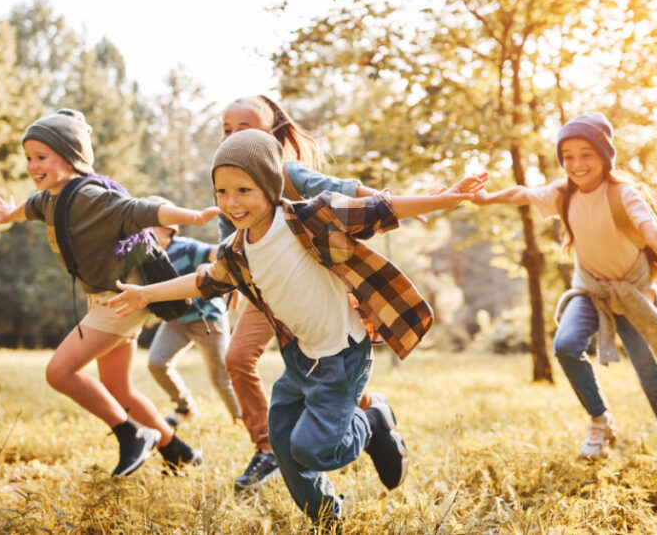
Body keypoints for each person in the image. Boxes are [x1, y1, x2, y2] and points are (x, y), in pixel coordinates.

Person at [109, 129, 487, 530]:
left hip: (343, 354)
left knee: (313, 449)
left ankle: (372, 421)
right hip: (300, 358)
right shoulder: (237, 251)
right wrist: (145, 294)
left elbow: (378, 208)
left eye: (244, 190)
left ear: (270, 186)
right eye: (221, 192)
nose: (232, 203)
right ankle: (327, 516)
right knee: (285, 446)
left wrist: (447, 197)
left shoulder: (310, 218)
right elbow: (204, 280)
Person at [0, 109, 220, 476]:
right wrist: (6, 215)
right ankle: (178, 452)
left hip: (123, 297)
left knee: (59, 372)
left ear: (72, 156)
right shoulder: (48, 199)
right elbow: (26, 209)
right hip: (107, 297)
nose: (32, 166)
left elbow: (139, 210)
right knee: (117, 388)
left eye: (41, 157)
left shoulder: (90, 196)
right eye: (28, 158)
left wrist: (192, 217)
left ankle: (131, 435)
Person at [471, 112, 657, 460]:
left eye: (585, 153)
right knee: (567, 345)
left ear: (604, 155)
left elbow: (652, 230)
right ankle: (600, 422)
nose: (576, 163)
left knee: (649, 374)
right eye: (567, 156)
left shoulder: (623, 194)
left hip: (632, 293)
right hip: (590, 290)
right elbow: (522, 193)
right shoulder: (563, 194)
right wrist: (486, 198)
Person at [219, 95, 385, 491]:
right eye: (226, 130)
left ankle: (370, 419)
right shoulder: (227, 178)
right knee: (238, 358)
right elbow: (229, 238)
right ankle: (267, 449)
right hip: (268, 294)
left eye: (245, 128)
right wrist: (233, 286)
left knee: (325, 365)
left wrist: (383, 200)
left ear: (273, 132)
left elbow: (337, 188)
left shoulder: (287, 171)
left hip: (314, 287)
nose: (233, 136)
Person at [144, 196, 242, 427]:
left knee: (221, 379)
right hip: (176, 322)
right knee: (157, 363)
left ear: (167, 228)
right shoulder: (147, 257)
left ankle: (243, 420)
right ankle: (186, 408)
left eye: (148, 224)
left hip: (207, 319)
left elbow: (217, 254)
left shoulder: (186, 248)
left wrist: (234, 277)